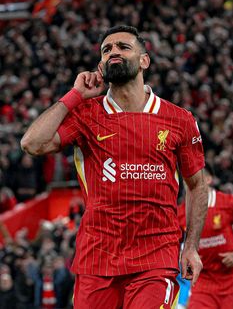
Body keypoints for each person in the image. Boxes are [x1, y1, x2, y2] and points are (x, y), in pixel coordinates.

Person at [21, 25, 208, 309]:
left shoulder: (179, 119)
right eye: (107, 50)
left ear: (144, 60)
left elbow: (197, 185)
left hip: (155, 258)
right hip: (97, 258)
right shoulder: (86, 114)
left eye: (123, 46)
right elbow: (32, 143)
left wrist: (191, 246)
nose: (114, 53)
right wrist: (74, 95)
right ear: (100, 66)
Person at [178, 164, 233, 309]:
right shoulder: (181, 213)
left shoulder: (228, 203)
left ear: (209, 179)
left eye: (195, 178)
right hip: (203, 283)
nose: (190, 182)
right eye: (187, 179)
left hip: (231, 281)